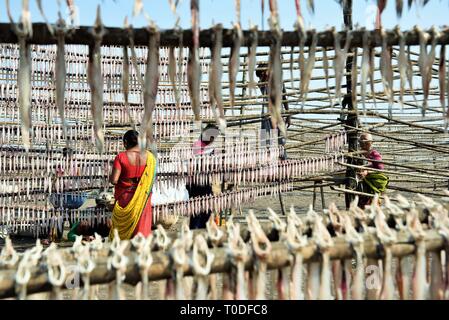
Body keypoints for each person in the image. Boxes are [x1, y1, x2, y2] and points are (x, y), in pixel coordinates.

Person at [109, 130, 157, 239]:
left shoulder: (121, 157)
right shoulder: (150, 158)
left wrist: (110, 176)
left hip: (125, 199)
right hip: (143, 199)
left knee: (121, 234)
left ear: (126, 142)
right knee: (141, 231)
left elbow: (114, 180)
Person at [187, 124, 220, 229]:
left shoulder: (209, 147)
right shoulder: (197, 145)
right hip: (196, 183)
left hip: (205, 182)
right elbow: (197, 164)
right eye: (212, 137)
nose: (212, 140)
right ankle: (196, 231)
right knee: (197, 211)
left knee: (206, 210)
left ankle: (202, 229)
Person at [256, 62, 291, 160]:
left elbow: (284, 96)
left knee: (281, 142)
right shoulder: (262, 84)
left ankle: (283, 162)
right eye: (261, 75)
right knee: (266, 142)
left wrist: (288, 115)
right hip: (266, 116)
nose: (263, 76)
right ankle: (267, 163)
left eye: (263, 73)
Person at [357, 133, 389, 208]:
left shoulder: (374, 154)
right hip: (360, 186)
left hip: (371, 186)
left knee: (370, 208)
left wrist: (367, 172)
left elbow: (380, 169)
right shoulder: (358, 154)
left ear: (371, 142)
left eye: (365, 141)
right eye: (361, 141)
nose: (363, 143)